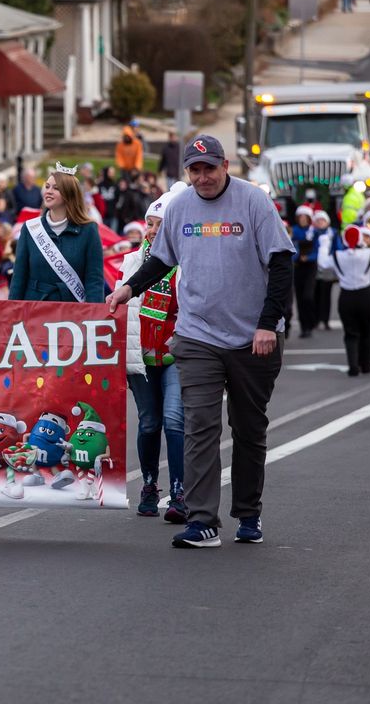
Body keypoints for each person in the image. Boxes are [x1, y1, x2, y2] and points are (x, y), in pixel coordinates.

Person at [107, 135, 294, 548]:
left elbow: (281, 263)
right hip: (197, 336)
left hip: (252, 336)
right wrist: (128, 289)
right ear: (187, 172)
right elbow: (161, 258)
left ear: (225, 165)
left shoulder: (253, 203)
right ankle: (202, 519)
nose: (203, 177)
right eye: (195, 170)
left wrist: (267, 324)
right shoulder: (180, 207)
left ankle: (248, 512)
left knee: (248, 427)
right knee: (199, 427)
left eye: (210, 168)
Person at [121, 182, 190, 523]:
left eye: (160, 226)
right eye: (149, 223)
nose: (152, 231)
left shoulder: (189, 261)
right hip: (141, 356)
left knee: (175, 420)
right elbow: (119, 310)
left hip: (177, 354)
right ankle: (150, 485)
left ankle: (180, 492)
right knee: (149, 424)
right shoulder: (131, 262)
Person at [8, 166, 105, 303]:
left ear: (69, 194)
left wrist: (94, 317)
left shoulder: (89, 230)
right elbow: (18, 278)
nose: (48, 192)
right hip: (35, 309)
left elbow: (94, 280)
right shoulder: (30, 229)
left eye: (56, 188)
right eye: (47, 187)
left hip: (73, 312)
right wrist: (12, 312)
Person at [320, 225, 370, 376]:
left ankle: (353, 365)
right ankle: (365, 364)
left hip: (346, 297)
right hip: (365, 295)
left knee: (350, 333)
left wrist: (324, 244)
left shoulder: (338, 255)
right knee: (367, 331)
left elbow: (323, 263)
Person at [292, 206, 319, 338]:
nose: (302, 219)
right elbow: (291, 247)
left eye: (305, 217)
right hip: (298, 267)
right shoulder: (294, 231)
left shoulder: (314, 231)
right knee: (300, 298)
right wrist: (297, 256)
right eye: (300, 217)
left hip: (310, 267)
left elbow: (317, 249)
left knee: (308, 296)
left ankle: (312, 321)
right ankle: (304, 327)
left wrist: (308, 257)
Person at [311, 210, 336, 329]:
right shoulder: (312, 233)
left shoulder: (333, 233)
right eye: (318, 220)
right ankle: (315, 319)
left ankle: (325, 320)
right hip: (315, 268)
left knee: (326, 295)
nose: (321, 222)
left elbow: (338, 247)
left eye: (323, 220)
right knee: (315, 294)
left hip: (328, 268)